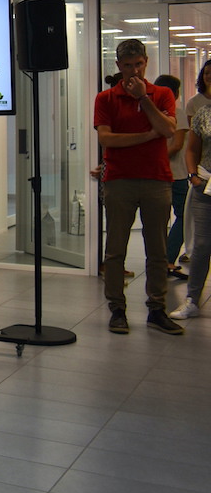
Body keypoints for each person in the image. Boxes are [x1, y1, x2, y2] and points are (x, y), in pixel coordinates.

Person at [93, 39, 183, 335]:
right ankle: (117, 309)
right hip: (119, 181)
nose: (134, 70)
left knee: (157, 249)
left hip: (157, 180)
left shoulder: (162, 94)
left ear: (146, 63)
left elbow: (168, 130)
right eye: (128, 65)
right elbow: (106, 139)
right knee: (115, 249)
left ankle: (156, 309)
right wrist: (147, 136)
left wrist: (143, 99)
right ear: (119, 66)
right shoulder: (105, 98)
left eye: (139, 64)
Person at [173, 98, 211, 320]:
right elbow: (191, 149)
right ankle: (192, 300)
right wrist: (193, 176)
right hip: (205, 184)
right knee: (201, 245)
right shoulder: (203, 114)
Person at [154, 75, 189, 280]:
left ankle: (159, 261)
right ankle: (167, 260)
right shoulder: (177, 112)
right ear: (175, 93)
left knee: (159, 220)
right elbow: (177, 145)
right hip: (175, 174)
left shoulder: (151, 112)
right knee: (184, 216)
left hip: (156, 173)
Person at [180, 59, 211, 263]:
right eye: (207, 72)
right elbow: (193, 145)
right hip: (204, 178)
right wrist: (193, 175)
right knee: (201, 243)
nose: (209, 76)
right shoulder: (198, 107)